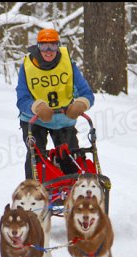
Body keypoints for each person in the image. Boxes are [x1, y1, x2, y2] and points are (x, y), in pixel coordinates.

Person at [16, 28, 95, 179]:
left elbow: (87, 93)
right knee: (36, 157)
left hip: (63, 119)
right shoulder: (28, 67)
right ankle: (33, 190)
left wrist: (80, 104)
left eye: (52, 46)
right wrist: (37, 107)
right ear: (37, 46)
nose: (48, 51)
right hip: (35, 120)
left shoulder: (68, 64)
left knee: (70, 157)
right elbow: (22, 99)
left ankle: (73, 190)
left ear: (58, 46)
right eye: (44, 46)